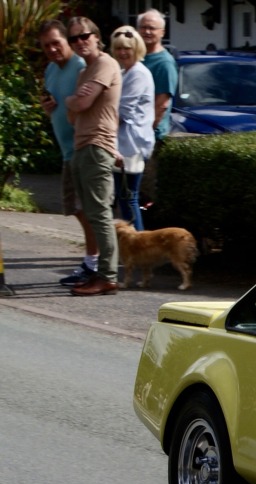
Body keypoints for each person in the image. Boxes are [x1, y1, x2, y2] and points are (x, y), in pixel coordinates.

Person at [36, 20, 99, 286]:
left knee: (87, 209)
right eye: (46, 45)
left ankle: (94, 263)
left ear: (67, 41)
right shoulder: (51, 69)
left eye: (56, 43)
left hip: (83, 148)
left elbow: (90, 104)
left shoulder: (81, 68)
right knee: (76, 209)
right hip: (66, 150)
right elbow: (56, 105)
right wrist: (48, 108)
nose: (52, 49)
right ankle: (92, 261)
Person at [64, 16, 122, 297]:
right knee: (90, 212)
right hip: (82, 145)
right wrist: (72, 101)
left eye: (83, 36)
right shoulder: (84, 72)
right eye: (73, 39)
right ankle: (100, 273)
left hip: (97, 146)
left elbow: (82, 103)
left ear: (97, 36)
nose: (79, 43)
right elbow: (73, 116)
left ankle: (108, 276)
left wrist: (71, 99)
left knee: (99, 214)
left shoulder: (105, 64)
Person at [109, 26, 155, 230]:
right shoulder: (124, 72)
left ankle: (138, 246)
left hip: (133, 145)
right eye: (118, 48)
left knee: (130, 198)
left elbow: (122, 110)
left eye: (127, 48)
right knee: (123, 197)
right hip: (122, 144)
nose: (122, 52)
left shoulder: (138, 73)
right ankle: (132, 248)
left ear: (136, 49)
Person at [137, 9, 176, 204]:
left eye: (152, 28)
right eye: (143, 27)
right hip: (132, 135)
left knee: (145, 194)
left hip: (149, 138)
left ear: (162, 32)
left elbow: (161, 105)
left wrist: (142, 134)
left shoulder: (164, 63)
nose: (147, 32)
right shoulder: (136, 57)